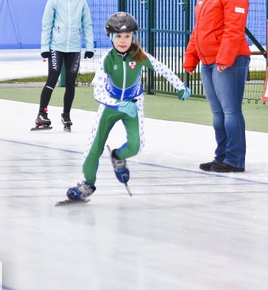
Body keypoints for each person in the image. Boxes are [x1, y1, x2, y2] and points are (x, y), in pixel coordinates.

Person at [62, 12, 190, 203]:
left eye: (127, 36)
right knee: (93, 148)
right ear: (111, 37)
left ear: (133, 37)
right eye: (119, 36)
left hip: (134, 105)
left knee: (136, 146)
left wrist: (180, 86)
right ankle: (87, 184)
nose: (123, 41)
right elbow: (98, 93)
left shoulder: (139, 55)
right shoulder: (107, 59)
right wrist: (119, 104)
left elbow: (161, 68)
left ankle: (118, 156)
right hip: (110, 106)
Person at [184, 0, 251, 173]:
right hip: (208, 61)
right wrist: (191, 57)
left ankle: (234, 160)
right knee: (218, 114)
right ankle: (221, 156)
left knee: (230, 111)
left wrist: (225, 58)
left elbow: (234, 28)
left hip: (229, 61)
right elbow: (198, 30)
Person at [34, 0, 95, 131]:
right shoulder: (53, 1)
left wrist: (89, 47)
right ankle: (42, 113)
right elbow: (46, 25)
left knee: (70, 81)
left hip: (74, 48)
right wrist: (45, 47)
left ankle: (66, 114)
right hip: (57, 47)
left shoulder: (81, 1)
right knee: (52, 78)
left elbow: (87, 25)